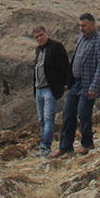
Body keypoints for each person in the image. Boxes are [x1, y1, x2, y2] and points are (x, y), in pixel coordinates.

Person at [54, 13, 100, 157]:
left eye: (84, 25)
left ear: (92, 24)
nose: (81, 28)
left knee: (84, 114)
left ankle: (87, 144)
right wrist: (68, 81)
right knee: (68, 113)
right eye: (79, 25)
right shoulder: (81, 38)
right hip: (75, 83)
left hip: (87, 84)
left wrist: (94, 87)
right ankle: (65, 146)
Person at [32, 26, 72, 157]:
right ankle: (44, 145)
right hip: (39, 89)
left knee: (49, 118)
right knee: (42, 119)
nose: (39, 38)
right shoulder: (39, 50)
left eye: (41, 35)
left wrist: (66, 83)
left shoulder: (56, 47)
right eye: (36, 37)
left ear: (47, 34)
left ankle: (45, 146)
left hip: (50, 89)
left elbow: (65, 66)